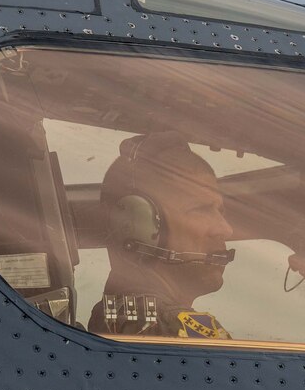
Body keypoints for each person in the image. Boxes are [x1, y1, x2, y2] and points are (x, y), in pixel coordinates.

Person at [87, 133, 238, 339]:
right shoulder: (177, 331)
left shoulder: (114, 318)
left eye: (220, 211)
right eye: (201, 209)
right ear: (137, 226)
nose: (225, 229)